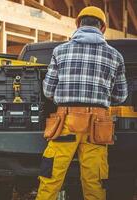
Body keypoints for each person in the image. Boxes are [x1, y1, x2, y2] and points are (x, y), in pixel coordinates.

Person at [36, 6, 128, 200]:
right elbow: (121, 96)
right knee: (95, 180)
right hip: (98, 126)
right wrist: (99, 98)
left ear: (78, 24)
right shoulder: (115, 56)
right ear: (102, 28)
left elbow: (48, 90)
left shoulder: (60, 51)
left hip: (65, 123)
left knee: (51, 176)